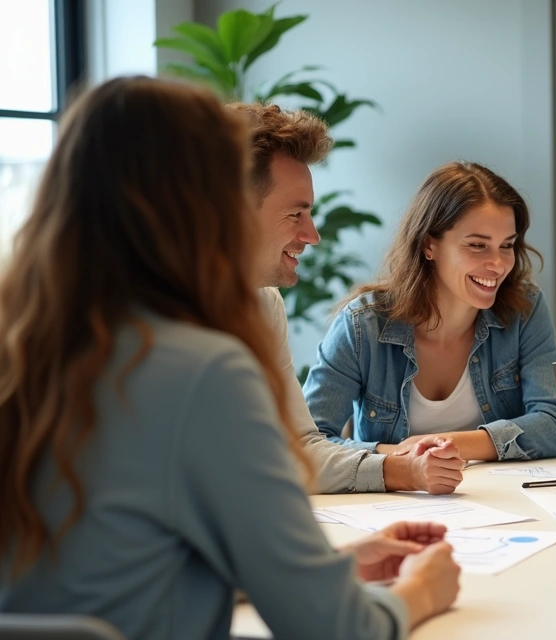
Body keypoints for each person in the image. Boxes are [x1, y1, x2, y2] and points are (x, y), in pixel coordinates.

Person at [0, 77, 459, 640]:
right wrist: (422, 590)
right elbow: (338, 629)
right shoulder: (202, 369)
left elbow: (109, 572)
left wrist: (311, 570)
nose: (312, 235)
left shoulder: (29, 343)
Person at [228, 102, 460, 495]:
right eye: (296, 214)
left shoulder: (265, 305)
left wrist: (406, 470)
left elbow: (299, 447)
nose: (312, 235)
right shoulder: (142, 316)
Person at [304, 162, 556, 470]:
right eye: (478, 245)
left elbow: (554, 425)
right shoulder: (362, 325)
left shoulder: (525, 309)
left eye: (506, 245)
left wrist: (443, 445)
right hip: (392, 497)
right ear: (429, 245)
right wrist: (404, 461)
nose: (498, 264)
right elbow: (306, 443)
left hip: (500, 495)